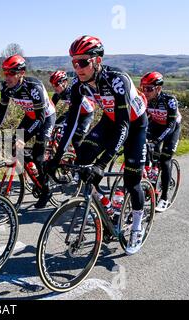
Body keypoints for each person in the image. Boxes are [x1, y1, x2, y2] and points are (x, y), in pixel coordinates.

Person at [47, 35, 148, 255]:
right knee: (82, 157)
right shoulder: (78, 85)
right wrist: (55, 159)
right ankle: (106, 206)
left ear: (97, 60)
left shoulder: (117, 80)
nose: (78, 67)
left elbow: (124, 127)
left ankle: (137, 227)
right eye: (74, 62)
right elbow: (72, 123)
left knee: (132, 181)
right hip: (110, 121)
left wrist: (102, 163)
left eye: (83, 62)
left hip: (134, 124)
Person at [0, 54, 56, 209]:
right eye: (5, 73)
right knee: (14, 146)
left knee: (38, 154)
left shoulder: (34, 87)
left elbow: (40, 119)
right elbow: (1, 112)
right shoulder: (6, 89)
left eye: (11, 73)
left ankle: (46, 188)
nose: (7, 77)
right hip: (30, 116)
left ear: (21, 73)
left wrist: (23, 138)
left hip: (45, 118)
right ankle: (31, 165)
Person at [141, 72, 181, 212]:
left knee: (165, 160)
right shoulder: (145, 99)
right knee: (144, 147)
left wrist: (157, 141)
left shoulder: (169, 100)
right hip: (156, 124)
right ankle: (151, 177)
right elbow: (142, 120)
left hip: (171, 127)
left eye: (149, 88)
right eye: (143, 88)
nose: (145, 92)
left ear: (158, 88)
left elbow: (170, 125)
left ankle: (164, 198)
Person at [49, 70, 95, 155]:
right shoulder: (57, 94)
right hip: (73, 112)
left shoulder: (73, 91)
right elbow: (51, 109)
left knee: (76, 140)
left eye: (56, 84)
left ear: (64, 82)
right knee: (55, 126)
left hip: (86, 115)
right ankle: (63, 152)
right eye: (52, 85)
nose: (54, 87)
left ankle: (80, 160)